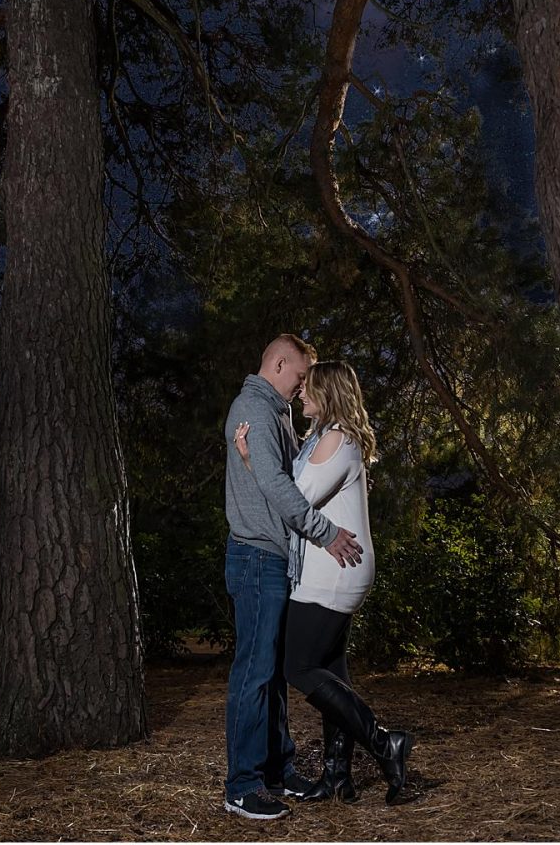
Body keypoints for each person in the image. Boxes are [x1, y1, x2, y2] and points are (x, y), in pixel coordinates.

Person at [236, 360, 413, 805]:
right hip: (334, 571)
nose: (300, 393)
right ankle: (338, 776)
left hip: (333, 573)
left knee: (297, 667)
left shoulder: (337, 438)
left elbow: (294, 500)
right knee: (331, 669)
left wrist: (253, 464)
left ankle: (384, 742)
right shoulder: (321, 436)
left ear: (328, 393)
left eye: (309, 387)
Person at [222, 335, 363, 821]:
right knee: (254, 673)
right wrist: (325, 533)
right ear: (279, 363)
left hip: (276, 559)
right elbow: (280, 487)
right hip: (256, 556)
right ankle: (242, 784)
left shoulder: (277, 413)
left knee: (275, 675)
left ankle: (279, 769)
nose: (304, 385)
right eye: (301, 375)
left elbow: (275, 476)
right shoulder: (254, 411)